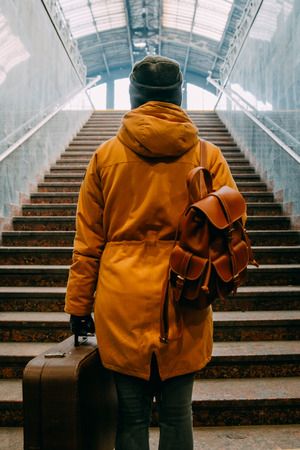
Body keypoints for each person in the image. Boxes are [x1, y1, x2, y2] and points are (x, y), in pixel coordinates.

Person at [65, 55, 239, 450]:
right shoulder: (207, 157)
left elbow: (88, 241)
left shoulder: (105, 157)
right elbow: (229, 233)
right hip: (187, 295)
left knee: (130, 417)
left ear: (132, 97)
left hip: (120, 301)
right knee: (178, 416)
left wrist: (78, 304)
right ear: (179, 97)